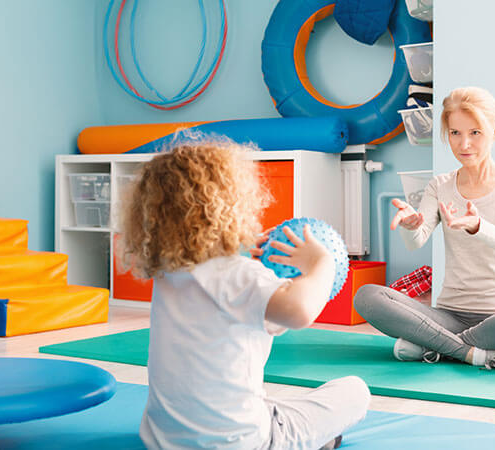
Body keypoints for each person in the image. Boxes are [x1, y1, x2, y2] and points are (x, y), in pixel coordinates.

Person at [116, 137, 370, 449]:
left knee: (273, 401)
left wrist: (247, 261)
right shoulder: (240, 276)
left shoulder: (169, 273)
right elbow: (299, 311)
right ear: (232, 206)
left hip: (163, 439)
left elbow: (226, 294)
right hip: (242, 443)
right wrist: (322, 262)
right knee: (354, 391)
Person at [354, 86, 495, 371]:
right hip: (450, 314)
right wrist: (412, 225)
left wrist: (478, 226)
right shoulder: (440, 185)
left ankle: (434, 346)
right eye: (455, 133)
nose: (464, 144)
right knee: (368, 296)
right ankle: (477, 355)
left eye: (475, 133)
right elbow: (416, 241)